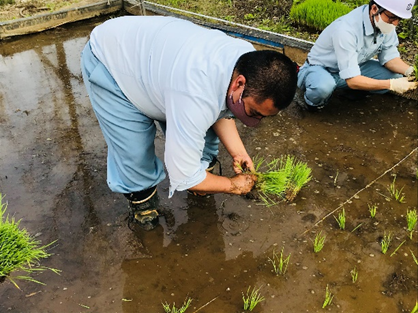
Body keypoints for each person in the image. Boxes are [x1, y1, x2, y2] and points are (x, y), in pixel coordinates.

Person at [80, 16, 298, 230]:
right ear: (239, 84)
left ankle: (204, 180)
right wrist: (231, 185)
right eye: (253, 112)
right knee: (134, 151)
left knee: (202, 138)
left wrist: (238, 152)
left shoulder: (249, 64)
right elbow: (183, 174)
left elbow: (220, 107)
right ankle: (143, 205)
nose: (253, 122)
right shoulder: (194, 93)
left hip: (161, 65)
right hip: (114, 62)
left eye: (262, 116)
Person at [297, 0, 417, 111]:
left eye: (399, 19)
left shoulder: (384, 23)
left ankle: (354, 92)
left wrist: (410, 71)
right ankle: (312, 105)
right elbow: (352, 80)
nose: (395, 23)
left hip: (353, 69)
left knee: (395, 76)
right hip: (321, 69)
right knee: (323, 87)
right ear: (375, 9)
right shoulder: (346, 29)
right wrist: (391, 85)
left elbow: (390, 58)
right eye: (392, 18)